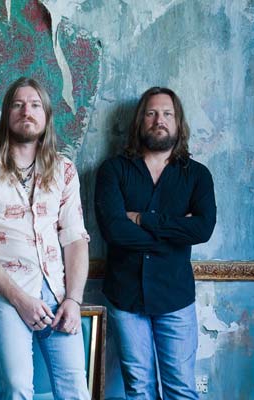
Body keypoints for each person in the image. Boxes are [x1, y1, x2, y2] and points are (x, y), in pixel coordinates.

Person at [0, 77, 91, 399]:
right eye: (17, 105)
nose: (26, 112)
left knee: (75, 390)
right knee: (18, 387)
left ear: (46, 116)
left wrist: (73, 299)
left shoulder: (64, 170)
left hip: (57, 294)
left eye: (34, 105)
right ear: (6, 114)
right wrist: (19, 299)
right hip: (4, 293)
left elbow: (75, 239)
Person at [95, 87, 216, 399]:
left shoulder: (198, 175)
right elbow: (114, 231)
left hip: (175, 297)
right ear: (140, 121)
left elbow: (202, 229)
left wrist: (142, 219)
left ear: (178, 123)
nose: (159, 120)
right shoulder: (113, 170)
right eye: (151, 113)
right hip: (126, 296)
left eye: (167, 114)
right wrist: (176, 232)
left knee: (181, 390)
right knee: (139, 389)